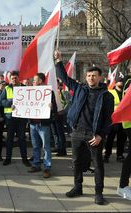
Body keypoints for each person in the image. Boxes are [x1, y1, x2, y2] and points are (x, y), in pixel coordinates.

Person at [54, 51, 114, 205]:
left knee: (97, 163)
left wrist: (101, 135)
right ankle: (77, 187)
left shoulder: (107, 96)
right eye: (88, 76)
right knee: (76, 162)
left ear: (100, 77)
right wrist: (59, 61)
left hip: (94, 135)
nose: (90, 78)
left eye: (94, 76)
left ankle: (98, 193)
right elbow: (65, 78)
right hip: (77, 132)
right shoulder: (80, 88)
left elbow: (108, 119)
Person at [28, 73, 57, 178]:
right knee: (35, 146)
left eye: (35, 80)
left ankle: (47, 168)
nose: (33, 82)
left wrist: (52, 106)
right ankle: (36, 164)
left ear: (41, 81)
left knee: (46, 147)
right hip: (32, 124)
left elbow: (55, 110)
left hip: (43, 124)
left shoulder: (49, 93)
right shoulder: (29, 92)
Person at [0, 72, 31, 167]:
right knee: (9, 139)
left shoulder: (25, 88)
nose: (14, 80)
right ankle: (8, 158)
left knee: (22, 138)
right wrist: (10, 102)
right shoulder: (6, 88)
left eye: (16, 78)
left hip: (21, 118)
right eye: (12, 78)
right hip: (10, 118)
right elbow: (1, 102)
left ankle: (24, 159)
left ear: (19, 78)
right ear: (10, 79)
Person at [104, 77, 127, 163]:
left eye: (122, 82)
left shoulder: (126, 93)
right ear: (116, 83)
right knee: (110, 138)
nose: (121, 83)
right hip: (113, 119)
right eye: (119, 81)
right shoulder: (110, 92)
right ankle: (107, 155)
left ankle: (119, 155)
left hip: (123, 120)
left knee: (122, 139)